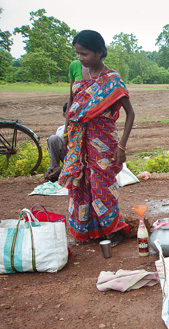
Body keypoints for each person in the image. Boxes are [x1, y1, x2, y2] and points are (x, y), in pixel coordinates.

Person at [58, 30, 134, 242]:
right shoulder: (76, 69)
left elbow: (131, 114)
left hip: (104, 141)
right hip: (77, 139)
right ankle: (88, 230)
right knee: (80, 183)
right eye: (78, 53)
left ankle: (112, 230)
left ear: (100, 52)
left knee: (103, 186)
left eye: (85, 54)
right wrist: (66, 133)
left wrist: (122, 146)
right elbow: (72, 102)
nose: (80, 58)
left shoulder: (112, 79)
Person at [44, 103, 69, 182]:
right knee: (52, 139)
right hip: (67, 157)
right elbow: (56, 150)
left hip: (78, 160)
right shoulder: (60, 130)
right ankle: (52, 170)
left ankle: (60, 171)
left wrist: (63, 168)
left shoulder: (80, 128)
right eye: (68, 113)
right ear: (64, 115)